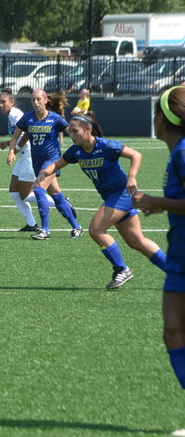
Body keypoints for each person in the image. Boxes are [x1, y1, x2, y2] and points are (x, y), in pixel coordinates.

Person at [37, 113, 166, 289]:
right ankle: (177, 273)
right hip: (112, 197)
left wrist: (132, 176)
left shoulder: (106, 146)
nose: (71, 135)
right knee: (136, 241)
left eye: (75, 131)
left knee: (96, 230)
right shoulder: (76, 151)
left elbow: (136, 155)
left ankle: (122, 269)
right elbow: (57, 164)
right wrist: (45, 172)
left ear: (88, 129)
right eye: (69, 132)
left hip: (122, 194)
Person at [131, 86, 185, 399]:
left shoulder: (183, 153)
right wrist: (159, 204)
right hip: (179, 254)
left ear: (162, 119)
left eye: (155, 113)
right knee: (173, 333)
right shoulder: (176, 153)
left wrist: (156, 201)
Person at [6, 89, 82, 240]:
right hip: (37, 162)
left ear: (46, 101)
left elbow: (72, 133)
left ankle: (44, 230)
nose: (35, 102)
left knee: (39, 190)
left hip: (52, 161)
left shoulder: (55, 118)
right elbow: (15, 137)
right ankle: (77, 227)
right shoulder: (28, 118)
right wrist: (11, 151)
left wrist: (82, 142)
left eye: (38, 99)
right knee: (57, 196)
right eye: (33, 100)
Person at [0, 89, 39, 231]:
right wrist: (8, 144)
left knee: (25, 195)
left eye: (3, 102)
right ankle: (31, 224)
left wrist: (13, 150)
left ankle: (61, 202)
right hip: (23, 155)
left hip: (29, 155)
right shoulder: (12, 115)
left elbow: (28, 133)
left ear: (12, 102)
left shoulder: (14, 114)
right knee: (14, 193)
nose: (0, 105)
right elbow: (19, 136)